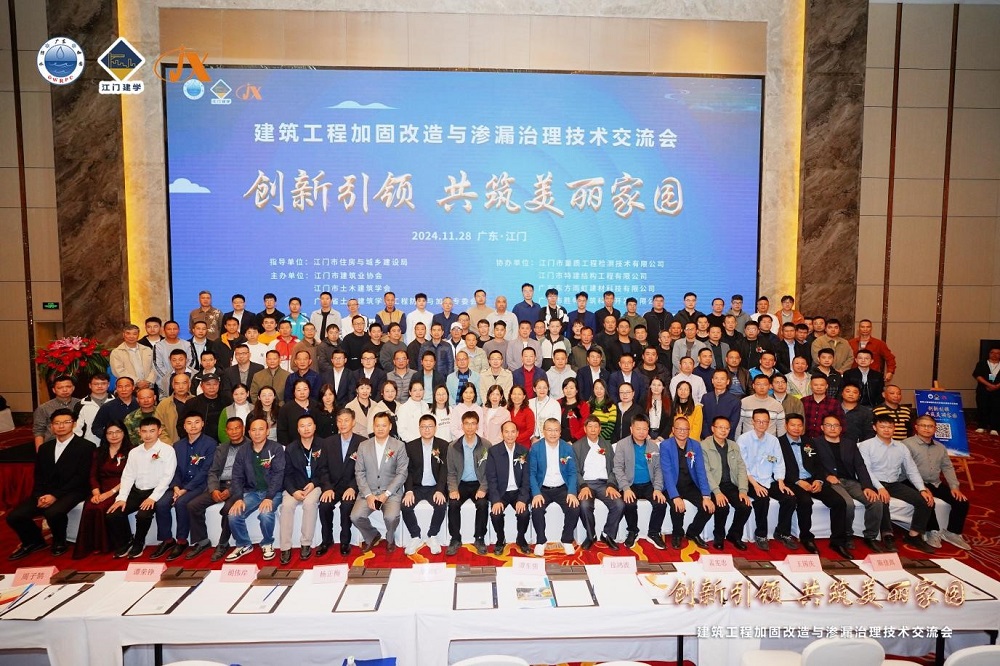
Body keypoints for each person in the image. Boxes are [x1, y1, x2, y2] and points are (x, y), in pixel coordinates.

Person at [7, 408, 91, 559]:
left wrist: (55, 495)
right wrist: (39, 495)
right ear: (51, 426)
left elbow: (81, 477)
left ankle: (59, 542)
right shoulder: (45, 448)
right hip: (46, 491)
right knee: (14, 516)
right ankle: (34, 541)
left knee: (53, 512)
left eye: (66, 422)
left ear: (73, 424)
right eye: (57, 423)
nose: (61, 426)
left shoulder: (86, 447)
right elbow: (39, 475)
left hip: (74, 490)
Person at [858, 413, 936, 554]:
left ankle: (914, 535)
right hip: (873, 482)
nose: (886, 430)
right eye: (882, 427)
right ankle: (887, 535)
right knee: (882, 501)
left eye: (890, 427)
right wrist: (880, 488)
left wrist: (922, 489)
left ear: (894, 428)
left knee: (924, 500)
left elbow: (912, 470)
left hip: (894, 483)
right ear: (875, 428)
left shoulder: (901, 447)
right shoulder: (866, 445)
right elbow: (865, 470)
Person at [778, 414, 852, 558]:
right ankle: (806, 538)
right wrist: (798, 481)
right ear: (786, 426)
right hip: (792, 482)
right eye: (793, 425)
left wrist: (819, 480)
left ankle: (838, 542)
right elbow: (779, 467)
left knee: (839, 502)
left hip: (812, 480)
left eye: (799, 425)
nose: (796, 428)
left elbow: (818, 464)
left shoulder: (808, 442)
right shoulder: (779, 443)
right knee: (805, 501)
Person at [107, 417, 178, 559]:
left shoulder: (167, 450)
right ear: (139, 432)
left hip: (158, 490)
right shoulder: (134, 452)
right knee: (113, 513)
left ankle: (139, 542)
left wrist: (152, 498)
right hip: (138, 490)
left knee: (143, 515)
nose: (148, 435)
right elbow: (128, 476)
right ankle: (127, 540)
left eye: (152, 431)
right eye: (144, 431)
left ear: (159, 431)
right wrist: (121, 498)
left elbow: (167, 477)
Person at [151, 412, 218, 561]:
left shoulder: (210, 444)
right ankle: (167, 540)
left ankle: (182, 541)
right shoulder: (178, 446)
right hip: (179, 485)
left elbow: (206, 470)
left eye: (196, 422)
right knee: (161, 503)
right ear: (184, 426)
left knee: (181, 503)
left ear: (202, 424)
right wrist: (176, 487)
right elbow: (173, 469)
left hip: (199, 485)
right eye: (189, 423)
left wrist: (185, 490)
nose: (193, 426)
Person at [813, 415, 885, 553]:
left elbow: (860, 466)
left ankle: (870, 536)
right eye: (828, 425)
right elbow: (813, 465)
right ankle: (846, 535)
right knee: (847, 503)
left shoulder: (849, 444)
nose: (832, 428)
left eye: (836, 425)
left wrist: (868, 487)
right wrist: (826, 476)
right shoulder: (815, 443)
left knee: (875, 501)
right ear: (822, 427)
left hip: (850, 481)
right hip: (832, 482)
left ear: (841, 428)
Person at [903, 414, 971, 551]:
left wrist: (954, 487)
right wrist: (922, 488)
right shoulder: (906, 444)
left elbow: (947, 467)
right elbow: (905, 469)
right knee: (928, 500)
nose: (926, 429)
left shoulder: (940, 447)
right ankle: (931, 531)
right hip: (911, 481)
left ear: (935, 429)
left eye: (930, 426)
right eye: (923, 425)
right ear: (916, 427)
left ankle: (952, 532)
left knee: (962, 502)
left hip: (934, 482)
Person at [185, 416, 247, 561]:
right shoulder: (221, 448)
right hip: (220, 484)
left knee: (228, 509)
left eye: (237, 428)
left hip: (239, 486)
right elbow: (213, 471)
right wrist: (214, 489)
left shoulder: (250, 447)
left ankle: (223, 543)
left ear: (243, 429)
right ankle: (202, 541)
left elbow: (249, 476)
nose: (234, 431)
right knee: (192, 505)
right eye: (230, 429)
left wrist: (230, 491)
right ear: (226, 431)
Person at [225, 415, 286, 562]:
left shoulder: (276, 448)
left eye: (261, 429)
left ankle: (267, 543)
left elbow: (278, 475)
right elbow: (237, 476)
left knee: (265, 513)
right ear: (248, 432)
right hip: (252, 492)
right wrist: (238, 498)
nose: (257, 433)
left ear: (267, 431)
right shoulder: (243, 451)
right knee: (233, 514)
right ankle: (244, 544)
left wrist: (269, 497)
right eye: (253, 430)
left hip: (273, 492)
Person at [737, 409, 796, 552]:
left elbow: (778, 462)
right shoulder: (743, 439)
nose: (761, 424)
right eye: (758, 421)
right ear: (753, 422)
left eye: (765, 422)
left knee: (790, 498)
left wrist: (781, 482)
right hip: (749, 480)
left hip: (768, 479)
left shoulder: (773, 440)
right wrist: (755, 485)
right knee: (762, 499)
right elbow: (742, 466)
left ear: (769, 423)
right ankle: (761, 534)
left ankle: (782, 532)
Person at [351, 412, 409, 553]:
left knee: (391, 517)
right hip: (369, 491)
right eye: (377, 425)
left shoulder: (399, 446)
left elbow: (402, 473)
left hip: (391, 493)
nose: (380, 428)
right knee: (355, 517)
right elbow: (359, 472)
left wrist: (386, 494)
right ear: (373, 426)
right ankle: (372, 535)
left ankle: (390, 537)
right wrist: (368, 495)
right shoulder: (363, 445)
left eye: (384, 425)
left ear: (390, 426)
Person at [73, 421, 133, 558]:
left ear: (124, 433)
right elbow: (93, 475)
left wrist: (109, 493)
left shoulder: (131, 451)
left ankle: (107, 545)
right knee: (90, 505)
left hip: (121, 488)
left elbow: (131, 477)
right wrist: (96, 492)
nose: (114, 435)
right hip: (101, 488)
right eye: (110, 433)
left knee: (102, 507)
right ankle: (92, 545)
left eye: (117, 432)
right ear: (105, 435)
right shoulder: (99, 452)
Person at [611, 413, 667, 549]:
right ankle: (632, 531)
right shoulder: (622, 444)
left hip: (649, 484)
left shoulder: (653, 447)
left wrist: (658, 489)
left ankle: (653, 532)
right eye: (638, 429)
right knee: (629, 503)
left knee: (661, 503)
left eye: (645, 429)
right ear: (631, 429)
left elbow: (658, 469)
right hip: (630, 484)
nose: (641, 432)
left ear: (648, 430)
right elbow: (618, 468)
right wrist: (626, 488)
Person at [316, 407, 364, 557]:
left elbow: (364, 470)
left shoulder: (362, 443)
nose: (343, 424)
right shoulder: (328, 442)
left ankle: (345, 541)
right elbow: (322, 468)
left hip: (351, 485)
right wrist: (327, 488)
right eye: (339, 421)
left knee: (346, 506)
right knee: (324, 505)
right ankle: (327, 540)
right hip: (333, 486)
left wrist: (353, 487)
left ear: (353, 422)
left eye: (346, 420)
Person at [660, 416, 714, 550]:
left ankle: (693, 532)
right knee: (677, 507)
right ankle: (677, 534)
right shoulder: (666, 445)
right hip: (672, 485)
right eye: (679, 429)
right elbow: (667, 473)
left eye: (685, 429)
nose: (682, 432)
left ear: (689, 431)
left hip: (690, 485)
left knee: (708, 507)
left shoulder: (695, 445)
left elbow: (701, 471)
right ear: (673, 430)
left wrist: (706, 495)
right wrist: (675, 496)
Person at [570, 415, 624, 550]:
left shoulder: (607, 445)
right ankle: (591, 535)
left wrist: (611, 485)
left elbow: (614, 468)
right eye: (590, 426)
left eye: (596, 427)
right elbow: (574, 471)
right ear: (585, 429)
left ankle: (607, 535)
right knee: (584, 505)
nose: (593, 430)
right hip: (586, 484)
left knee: (619, 504)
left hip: (604, 484)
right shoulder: (577, 446)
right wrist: (583, 486)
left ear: (600, 429)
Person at [528, 418, 580, 556]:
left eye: (556, 430)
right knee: (537, 508)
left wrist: (572, 492)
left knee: (574, 507)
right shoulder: (536, 448)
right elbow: (532, 473)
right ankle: (541, 541)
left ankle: (566, 539)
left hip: (562, 488)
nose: (553, 433)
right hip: (542, 488)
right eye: (549, 430)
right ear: (544, 431)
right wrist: (536, 493)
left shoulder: (567, 448)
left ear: (560, 432)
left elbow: (572, 472)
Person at [700, 416, 752, 551]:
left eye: (727, 428)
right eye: (720, 427)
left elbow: (741, 468)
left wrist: (743, 490)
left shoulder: (733, 445)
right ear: (713, 429)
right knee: (723, 507)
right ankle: (719, 536)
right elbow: (705, 472)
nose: (723, 430)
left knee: (745, 507)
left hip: (730, 484)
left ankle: (734, 535)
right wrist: (717, 492)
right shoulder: (704, 446)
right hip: (713, 485)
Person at [400, 414, 449, 555]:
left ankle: (432, 536)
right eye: (424, 427)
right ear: (419, 428)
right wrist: (409, 490)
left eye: (430, 426)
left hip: (435, 487)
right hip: (416, 487)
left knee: (441, 505)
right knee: (405, 506)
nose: (427, 429)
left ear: (435, 428)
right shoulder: (410, 446)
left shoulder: (443, 445)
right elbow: (408, 471)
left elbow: (444, 470)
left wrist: (440, 489)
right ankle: (415, 536)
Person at [279, 414, 324, 564]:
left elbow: (325, 470)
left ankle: (306, 543)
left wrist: (314, 483)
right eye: (302, 426)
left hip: (315, 485)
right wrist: (293, 491)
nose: (306, 429)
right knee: (286, 506)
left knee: (309, 504)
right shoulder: (291, 448)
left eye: (309, 425)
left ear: (315, 427)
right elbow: (286, 473)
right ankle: (285, 547)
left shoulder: (323, 445)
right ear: (298, 429)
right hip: (294, 487)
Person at [445, 411, 491, 555]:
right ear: (462, 425)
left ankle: (479, 538)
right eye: (467, 423)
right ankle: (455, 538)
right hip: (461, 483)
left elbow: (490, 471)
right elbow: (451, 472)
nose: (470, 427)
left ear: (477, 426)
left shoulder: (486, 445)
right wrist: (453, 489)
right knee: (453, 504)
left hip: (479, 483)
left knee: (483, 504)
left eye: (473, 423)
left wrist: (483, 488)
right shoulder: (453, 446)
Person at [485, 421, 531, 554]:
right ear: (502, 434)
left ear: (517, 434)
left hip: (518, 491)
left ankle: (521, 538)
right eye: (506, 432)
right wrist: (495, 500)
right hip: (501, 492)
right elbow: (491, 478)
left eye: (513, 432)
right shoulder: (494, 451)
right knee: (495, 514)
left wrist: (522, 499)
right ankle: (500, 539)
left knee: (524, 513)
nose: (510, 435)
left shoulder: (523, 451)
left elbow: (526, 478)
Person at [32, 375, 80, 449]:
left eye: (68, 387)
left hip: (78, 444)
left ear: (73, 388)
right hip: (52, 444)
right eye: (60, 388)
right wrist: (40, 452)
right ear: (54, 390)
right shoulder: (44, 408)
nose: (65, 390)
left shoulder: (81, 404)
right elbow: (38, 431)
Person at [110, 323, 157, 390]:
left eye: (134, 334)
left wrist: (148, 381)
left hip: (148, 387)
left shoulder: (147, 350)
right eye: (128, 333)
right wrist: (137, 382)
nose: (131, 336)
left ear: (138, 335)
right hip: (128, 388)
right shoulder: (116, 352)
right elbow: (118, 371)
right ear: (123, 335)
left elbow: (155, 367)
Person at [73, 372, 113, 445]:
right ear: (90, 385)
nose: (100, 386)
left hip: (114, 443)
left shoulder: (116, 402)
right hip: (89, 444)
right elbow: (77, 429)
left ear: (108, 384)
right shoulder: (81, 405)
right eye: (96, 384)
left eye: (103, 383)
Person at [801, 375, 846, 439]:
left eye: (822, 385)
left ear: (827, 386)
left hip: (826, 440)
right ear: (811, 386)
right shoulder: (803, 401)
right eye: (815, 385)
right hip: (805, 439)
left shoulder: (834, 403)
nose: (819, 387)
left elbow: (841, 423)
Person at [700, 369, 741, 439]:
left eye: (722, 379)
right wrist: (708, 436)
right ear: (712, 381)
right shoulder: (706, 397)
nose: (719, 381)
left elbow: (733, 423)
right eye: (716, 378)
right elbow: (703, 419)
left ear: (728, 381)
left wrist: (721, 435)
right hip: (707, 438)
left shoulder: (735, 400)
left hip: (726, 438)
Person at [277, 379, 318, 445]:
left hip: (315, 445)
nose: (302, 393)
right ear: (294, 392)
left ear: (309, 390)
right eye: (299, 390)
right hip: (292, 446)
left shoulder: (316, 406)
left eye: (305, 389)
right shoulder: (286, 408)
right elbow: (282, 431)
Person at [972, 345, 1000, 435]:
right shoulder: (982, 363)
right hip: (983, 390)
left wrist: (997, 386)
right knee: (982, 407)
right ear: (989, 354)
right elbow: (977, 375)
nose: (994, 355)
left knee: (996, 408)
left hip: (998, 391)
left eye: (997, 353)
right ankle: (981, 426)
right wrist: (989, 385)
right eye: (992, 353)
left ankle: (994, 428)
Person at [670, 381, 703, 445]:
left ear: (690, 392)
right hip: (674, 442)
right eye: (680, 389)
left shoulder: (697, 407)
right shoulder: (673, 407)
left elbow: (697, 429)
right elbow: (670, 427)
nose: (683, 391)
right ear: (676, 391)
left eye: (686, 389)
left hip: (691, 442)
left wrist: (685, 442)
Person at [529, 377, 560, 442]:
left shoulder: (555, 404)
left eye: (545, 388)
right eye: (539, 388)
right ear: (534, 389)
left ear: (548, 389)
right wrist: (532, 437)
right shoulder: (529, 403)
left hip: (549, 439)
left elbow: (557, 424)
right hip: (532, 439)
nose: (542, 390)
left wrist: (544, 439)